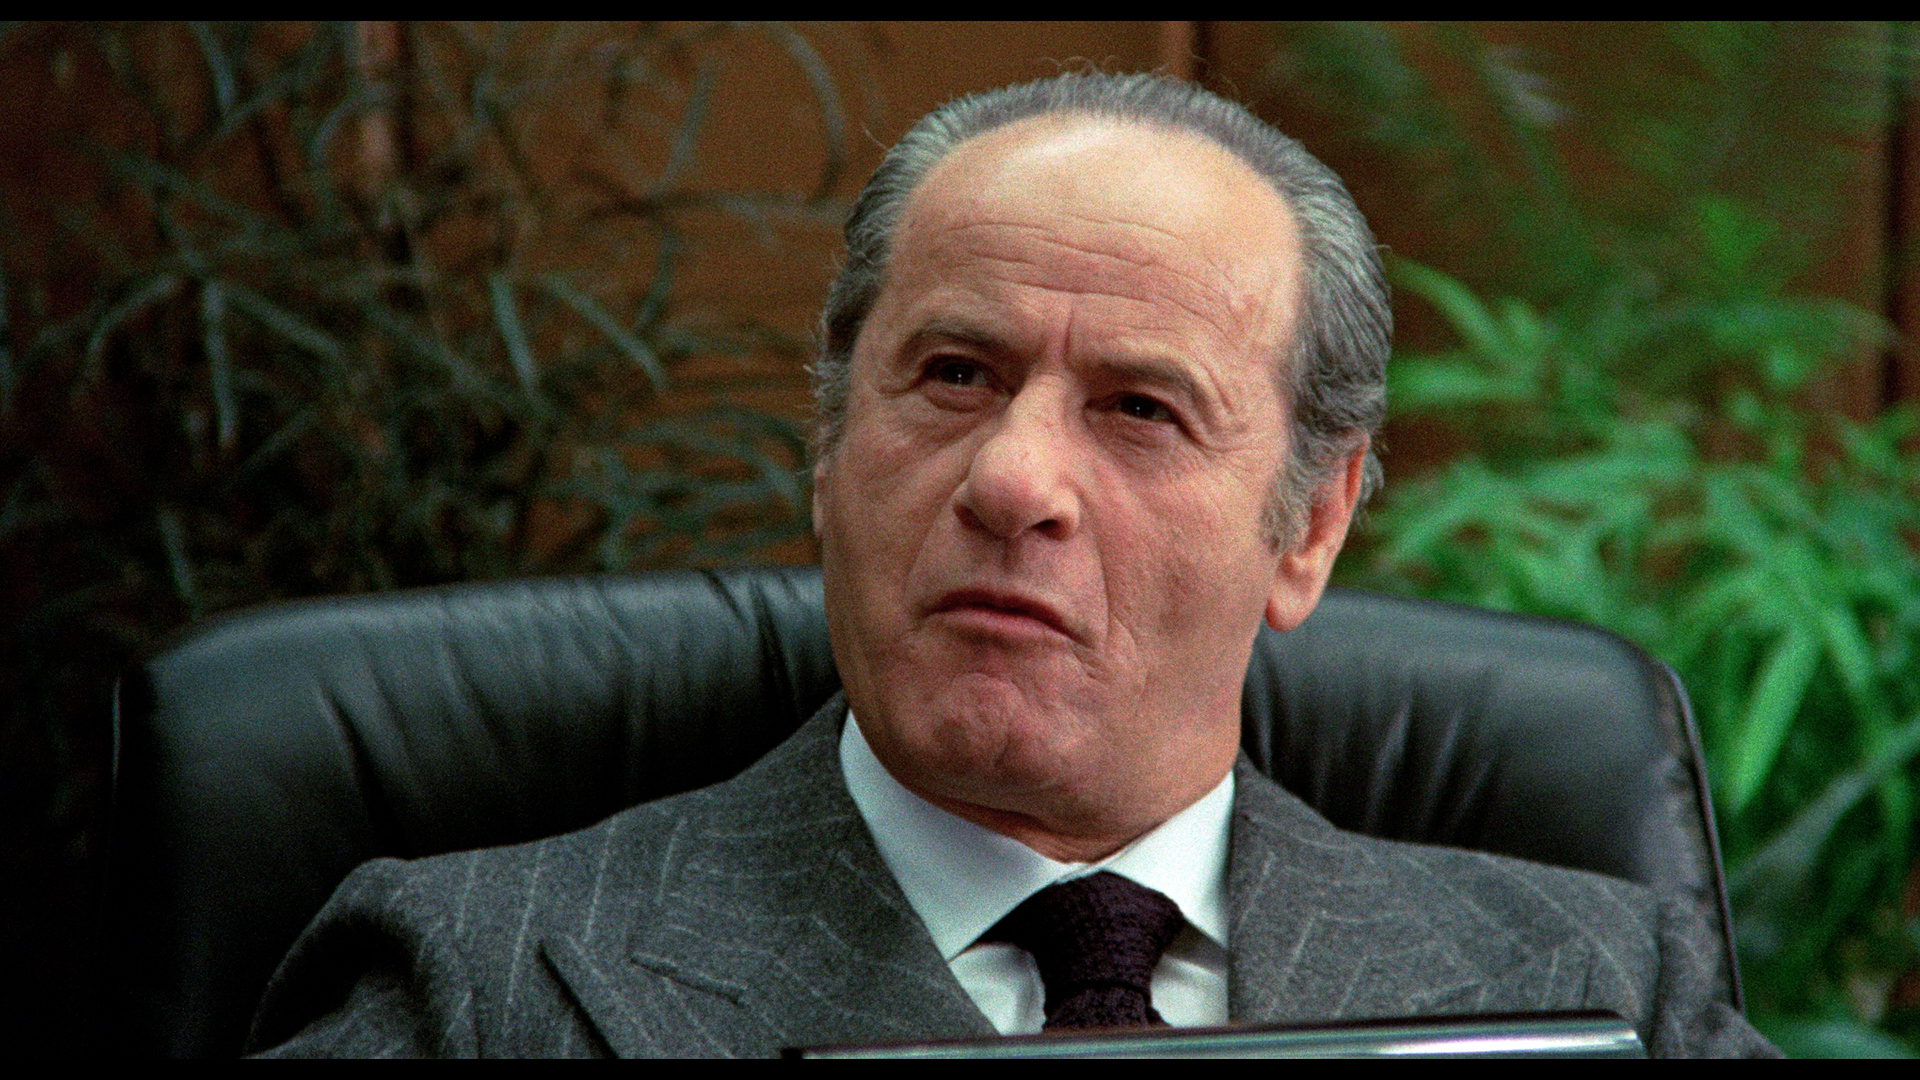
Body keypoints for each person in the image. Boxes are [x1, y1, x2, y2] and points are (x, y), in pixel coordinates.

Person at [247, 72, 1777, 1058]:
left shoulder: (1606, 991)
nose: (1011, 480)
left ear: (1310, 525)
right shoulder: (472, 989)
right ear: (830, 447)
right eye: (955, 377)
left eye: (1140, 408)